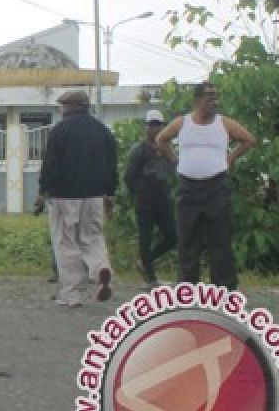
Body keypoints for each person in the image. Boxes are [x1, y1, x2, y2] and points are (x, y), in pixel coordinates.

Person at [156, 81, 255, 289]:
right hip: (188, 188)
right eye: (209, 97)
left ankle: (224, 290)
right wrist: (175, 160)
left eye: (216, 97)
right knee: (188, 242)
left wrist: (231, 157)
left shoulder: (224, 123)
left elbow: (248, 140)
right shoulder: (182, 123)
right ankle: (187, 290)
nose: (214, 102)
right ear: (197, 100)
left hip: (216, 187)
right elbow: (161, 140)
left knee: (220, 241)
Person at [33, 91, 116, 307]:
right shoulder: (102, 131)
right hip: (96, 194)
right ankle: (100, 270)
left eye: (61, 105)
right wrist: (110, 193)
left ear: (69, 106)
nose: (60, 109)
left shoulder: (60, 130)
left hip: (65, 195)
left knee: (66, 243)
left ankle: (71, 294)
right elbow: (111, 165)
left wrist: (42, 192)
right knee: (93, 237)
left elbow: (51, 164)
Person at [123, 109, 177, 287]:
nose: (155, 128)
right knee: (145, 238)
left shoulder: (167, 149)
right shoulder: (139, 150)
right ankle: (151, 278)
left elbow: (174, 169)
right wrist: (138, 194)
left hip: (163, 199)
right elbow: (129, 177)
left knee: (172, 236)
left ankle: (146, 261)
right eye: (152, 125)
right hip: (145, 201)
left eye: (158, 125)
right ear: (146, 127)